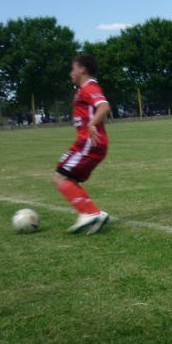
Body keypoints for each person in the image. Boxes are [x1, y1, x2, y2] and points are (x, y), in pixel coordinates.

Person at [52, 54, 110, 234]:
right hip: (91, 143)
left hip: (88, 143)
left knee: (59, 177)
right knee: (70, 179)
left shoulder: (89, 88)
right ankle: (95, 213)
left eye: (73, 68)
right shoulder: (84, 90)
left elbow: (104, 107)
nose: (71, 73)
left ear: (82, 69)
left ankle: (88, 214)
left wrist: (92, 124)